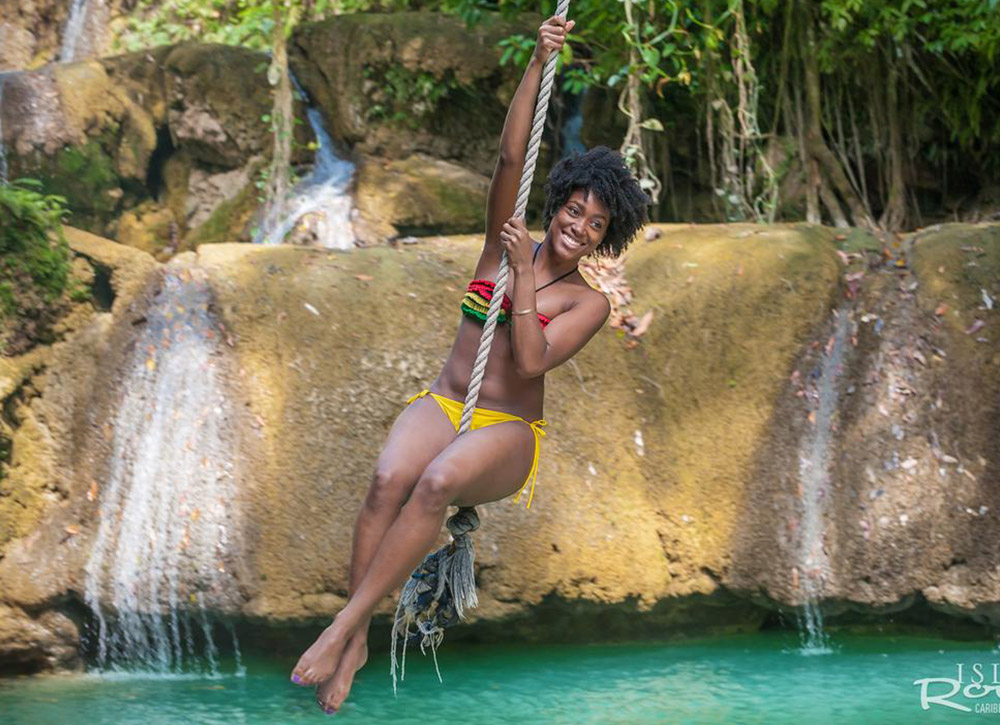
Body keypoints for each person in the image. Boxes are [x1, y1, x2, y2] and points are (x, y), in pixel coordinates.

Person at [291, 13, 650, 714]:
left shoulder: (587, 304)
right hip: (445, 400)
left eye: (595, 223)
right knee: (388, 476)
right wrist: (536, 64)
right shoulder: (500, 240)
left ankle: (343, 622)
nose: (578, 226)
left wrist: (521, 277)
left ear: (606, 236)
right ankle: (359, 636)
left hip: (508, 431)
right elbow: (511, 156)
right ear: (558, 205)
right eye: (574, 210)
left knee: (437, 479)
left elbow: (528, 356)